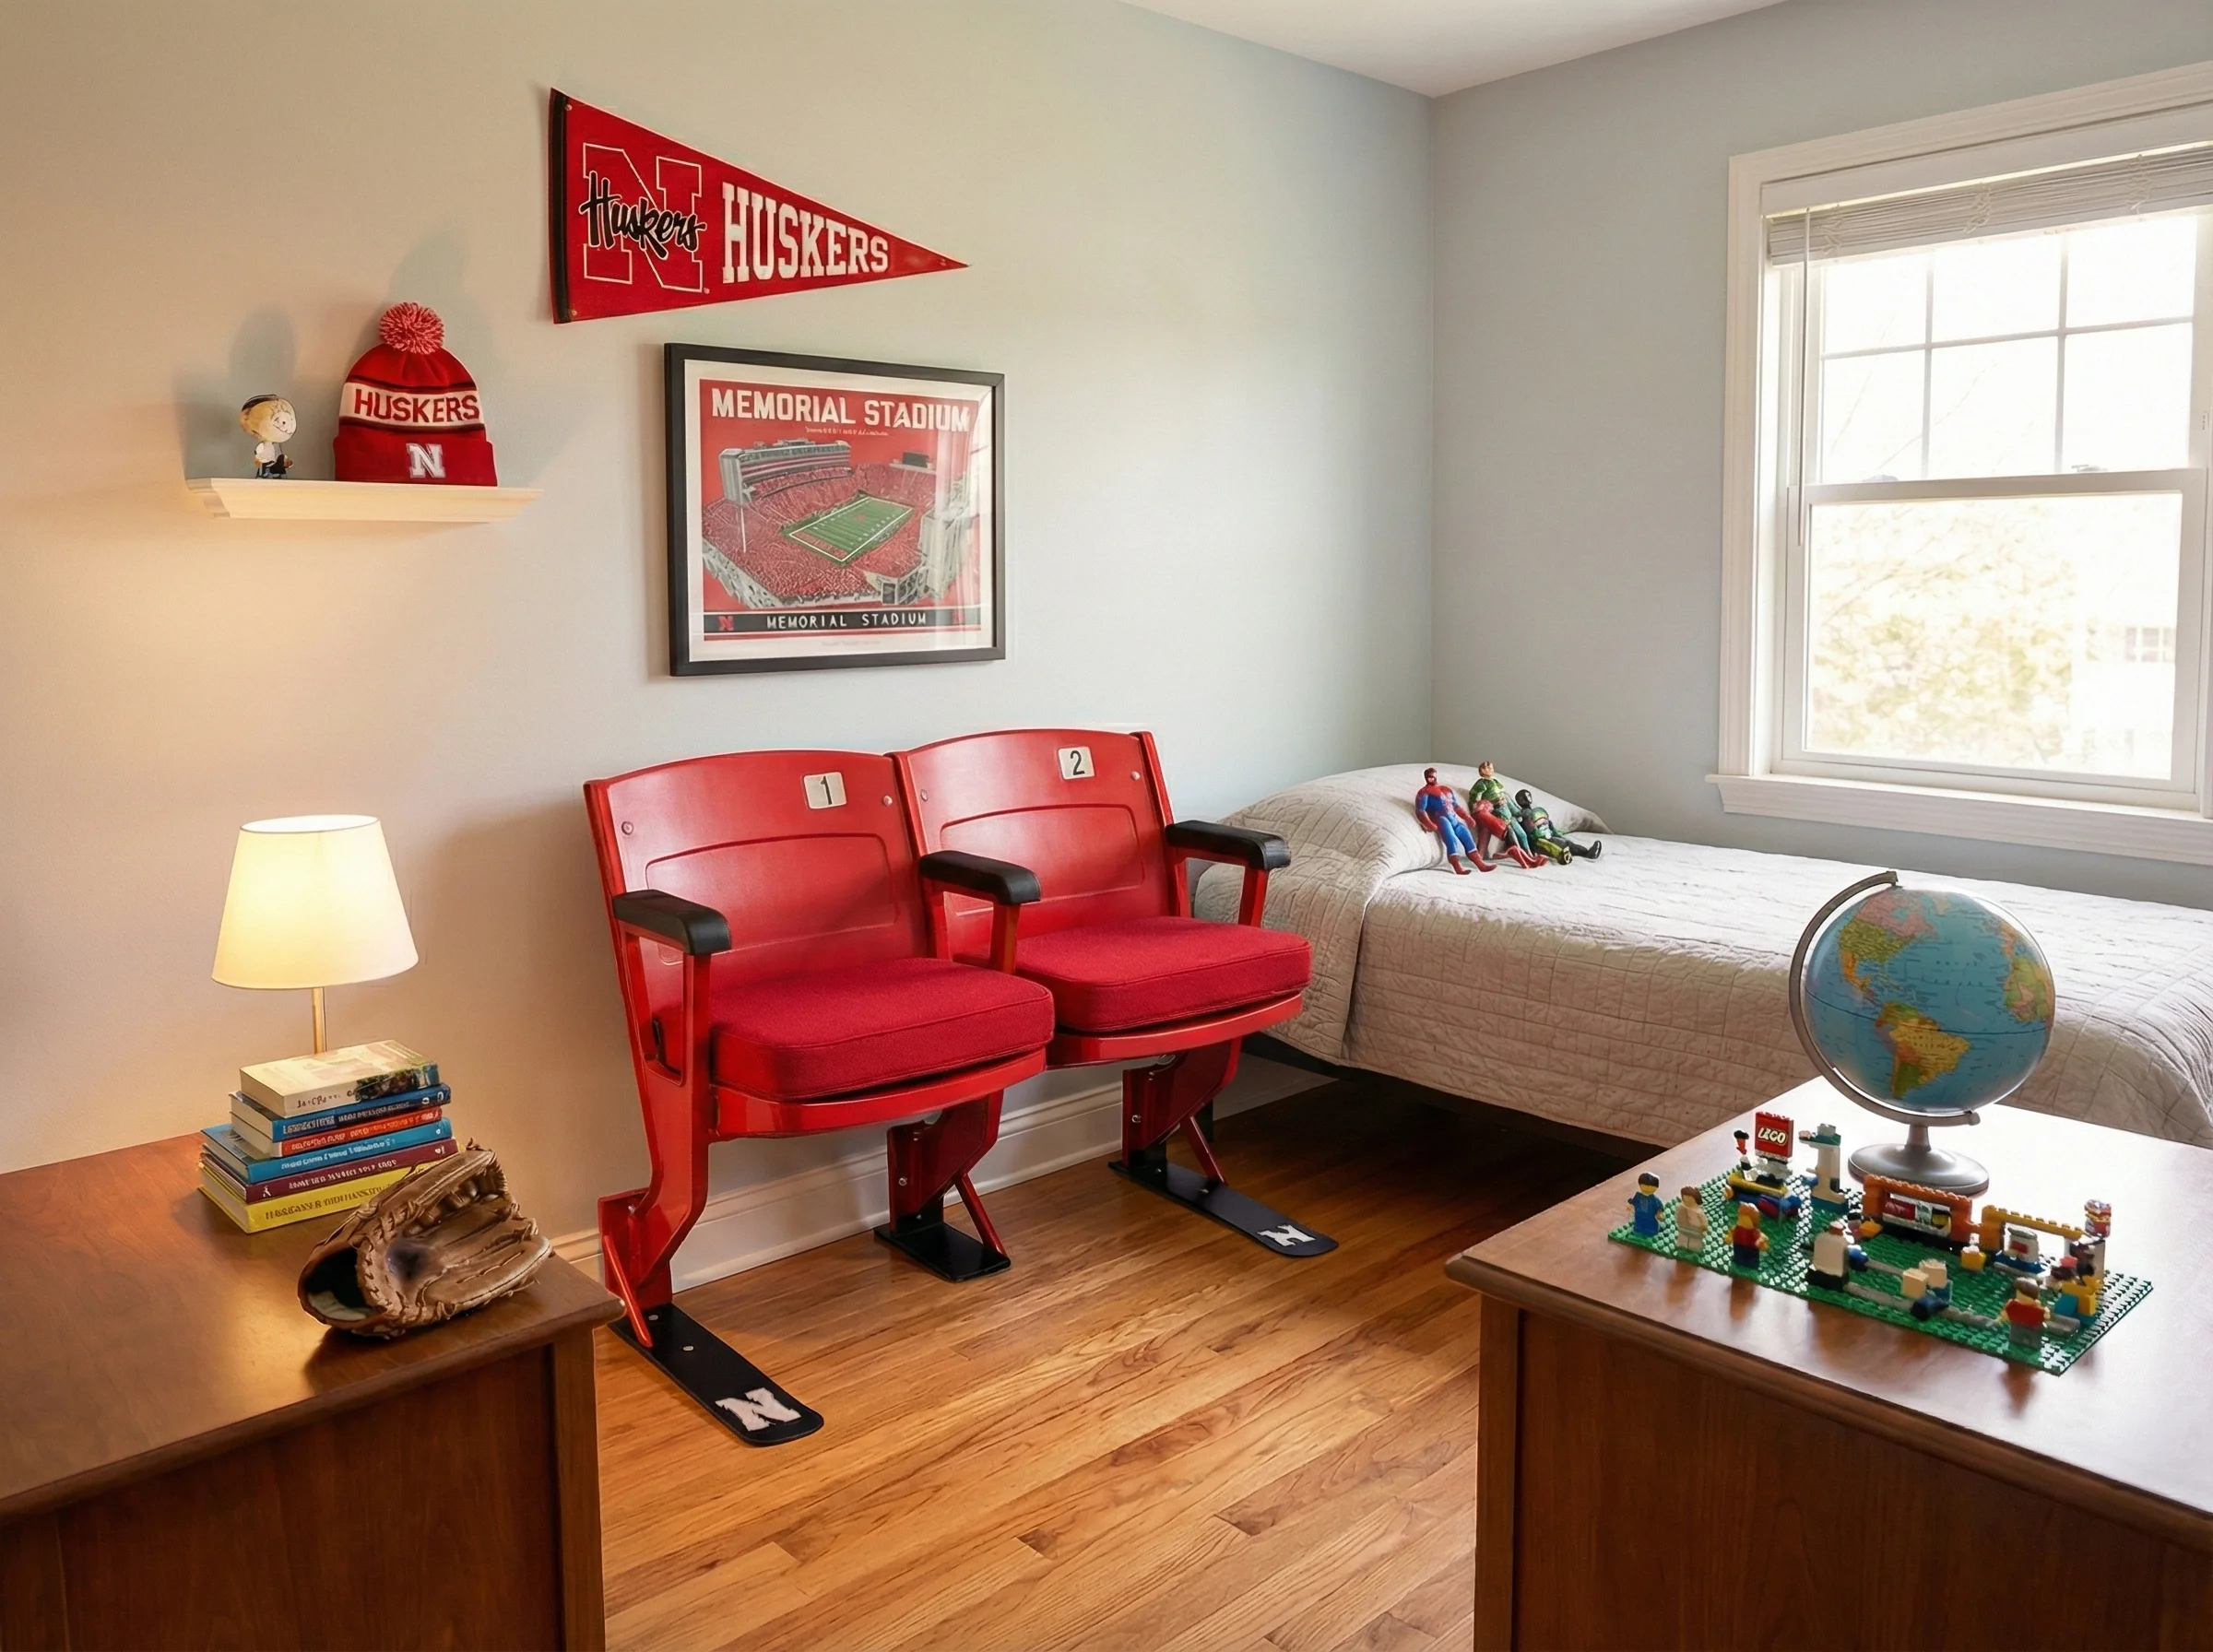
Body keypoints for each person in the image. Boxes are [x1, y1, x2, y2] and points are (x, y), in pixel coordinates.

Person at [1413, 767, 1492, 874]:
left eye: (1433, 776)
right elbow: (1421, 810)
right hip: (1441, 818)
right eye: (1429, 777)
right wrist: (1429, 823)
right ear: (1426, 778)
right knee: (1451, 839)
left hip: (1453, 817)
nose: (1432, 779)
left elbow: (1455, 806)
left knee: (1466, 835)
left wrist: (1467, 817)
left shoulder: (1446, 789)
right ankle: (1457, 866)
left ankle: (1480, 864)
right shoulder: (1424, 793)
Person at [1468, 761, 1543, 867]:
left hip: (1507, 811)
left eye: (1491, 768)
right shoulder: (1481, 784)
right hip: (1498, 812)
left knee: (1522, 834)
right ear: (1481, 771)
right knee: (1512, 836)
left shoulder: (1496, 782)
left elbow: (1506, 798)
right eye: (1487, 768)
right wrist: (1487, 806)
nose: (1490, 770)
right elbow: (1476, 801)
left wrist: (1517, 812)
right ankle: (1524, 859)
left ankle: (1530, 855)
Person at [1513, 789, 1602, 863]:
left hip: (1548, 835)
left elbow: (1549, 824)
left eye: (1529, 796)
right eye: (1525, 797)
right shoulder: (1523, 814)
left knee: (1567, 842)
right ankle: (1581, 854)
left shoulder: (1536, 811)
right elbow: (1526, 829)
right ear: (1520, 800)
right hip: (1539, 840)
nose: (1528, 798)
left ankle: (1586, 853)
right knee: (1564, 844)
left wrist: (1555, 832)